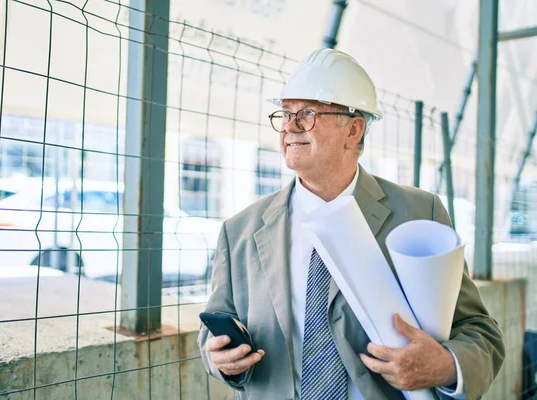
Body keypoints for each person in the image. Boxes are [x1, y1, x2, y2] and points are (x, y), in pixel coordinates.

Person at [197, 48, 505, 400]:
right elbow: (215, 325)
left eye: (308, 113)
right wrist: (221, 357)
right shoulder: (240, 230)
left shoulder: (420, 212)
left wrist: (447, 365)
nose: (290, 126)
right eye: (285, 113)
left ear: (354, 130)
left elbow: (479, 331)